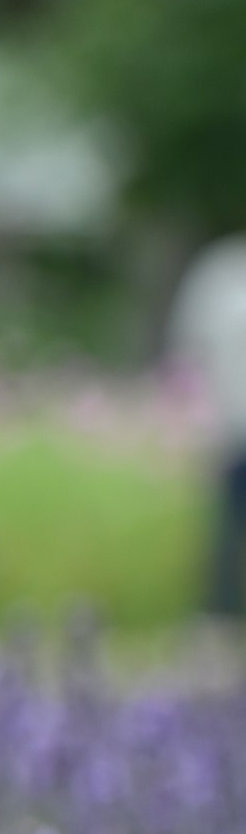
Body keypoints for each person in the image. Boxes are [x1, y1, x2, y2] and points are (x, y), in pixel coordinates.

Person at [171, 239, 246, 636]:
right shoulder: (222, 271)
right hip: (235, 428)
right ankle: (222, 619)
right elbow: (191, 350)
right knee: (228, 531)